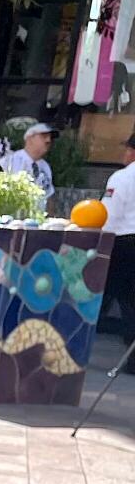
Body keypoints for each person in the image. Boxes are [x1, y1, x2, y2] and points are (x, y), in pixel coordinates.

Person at [97, 134, 135, 336]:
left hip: (123, 242)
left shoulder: (122, 177)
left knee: (101, 294)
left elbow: (109, 214)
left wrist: (100, 243)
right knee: (131, 302)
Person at [0, 123, 55, 193]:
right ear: (30, 139)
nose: (48, 141)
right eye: (44, 136)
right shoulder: (9, 162)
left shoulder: (45, 167)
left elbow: (48, 195)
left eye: (50, 138)